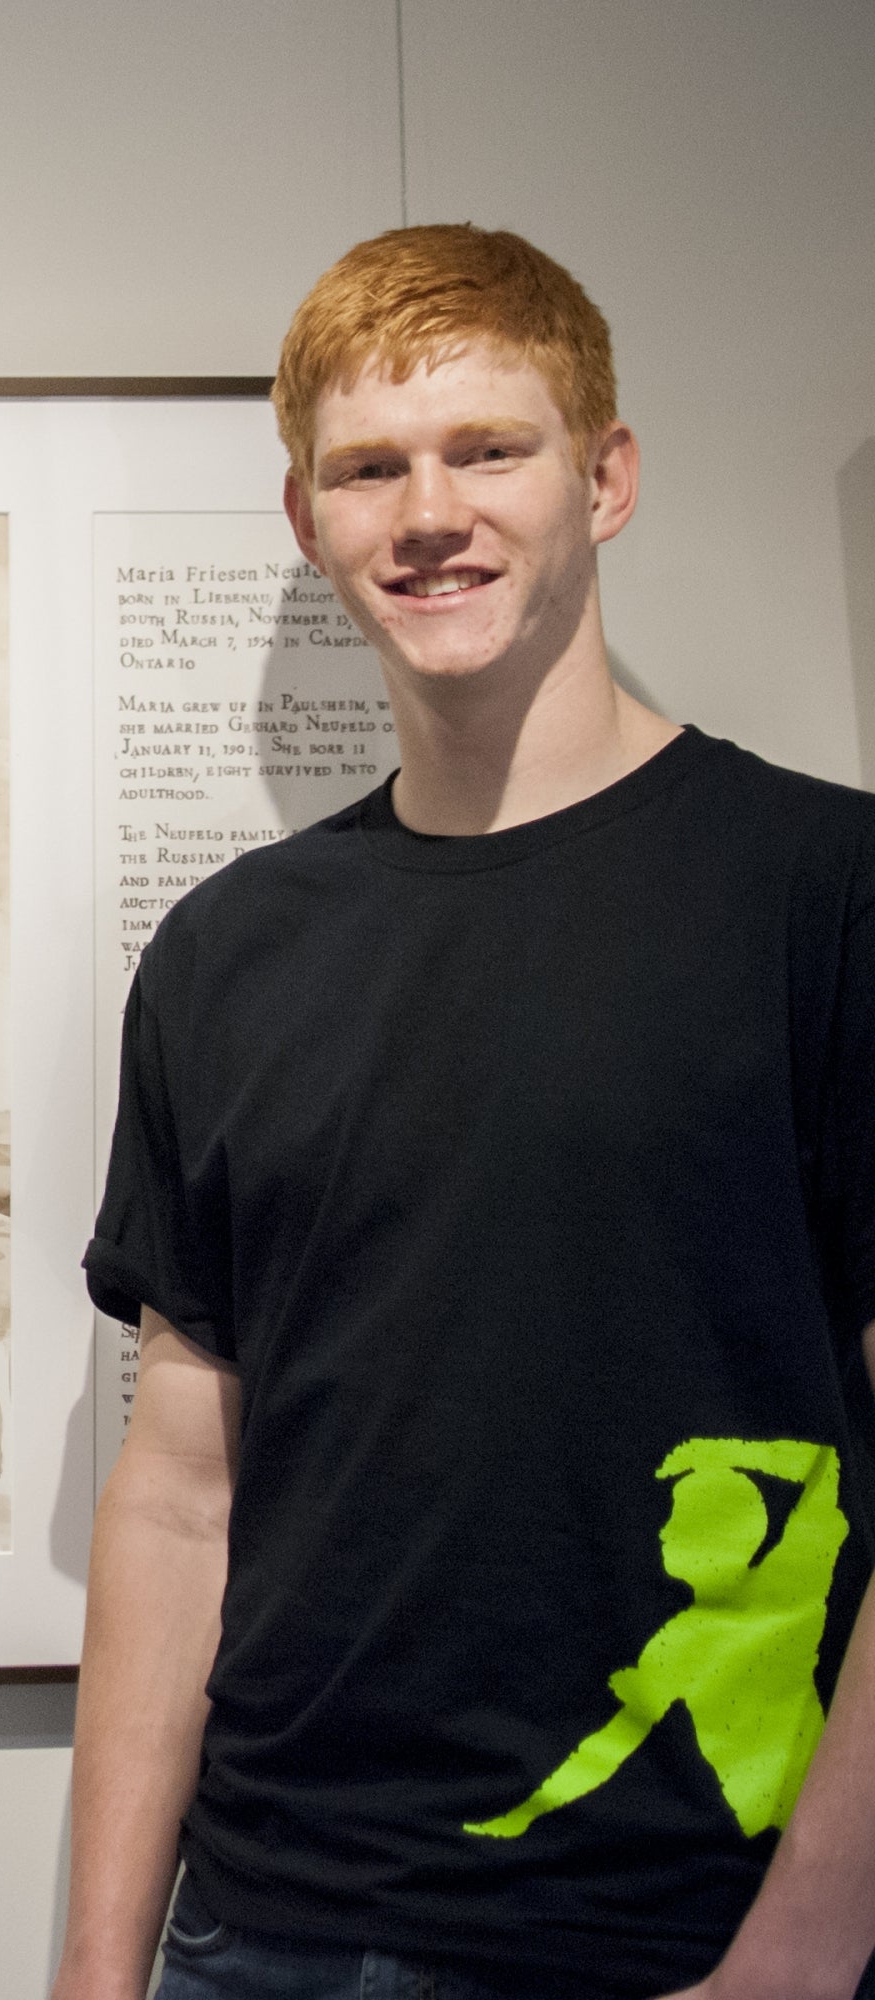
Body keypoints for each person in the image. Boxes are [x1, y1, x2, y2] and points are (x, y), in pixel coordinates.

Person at [58, 224, 875, 2000]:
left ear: (608, 476)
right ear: (309, 521)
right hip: (261, 1931)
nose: (428, 512)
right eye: (370, 468)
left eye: (487, 448)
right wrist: (97, 1972)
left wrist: (805, 1957)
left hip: (674, 1935)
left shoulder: (827, 895)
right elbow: (181, 1496)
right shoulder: (224, 957)